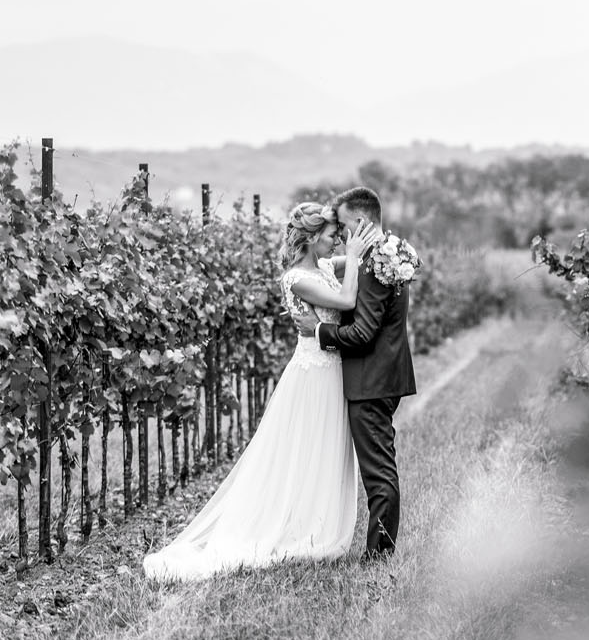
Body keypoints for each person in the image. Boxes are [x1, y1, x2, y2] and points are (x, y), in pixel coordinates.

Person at [142, 201, 380, 581]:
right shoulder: (296, 279)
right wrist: (351, 257)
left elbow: (357, 262)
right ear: (311, 237)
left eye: (339, 235)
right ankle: (298, 529)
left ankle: (315, 523)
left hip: (333, 373)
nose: (337, 240)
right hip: (313, 376)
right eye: (331, 234)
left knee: (324, 450)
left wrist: (377, 248)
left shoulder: (322, 267)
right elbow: (347, 300)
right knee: (304, 451)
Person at [308, 184, 417, 560]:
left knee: (378, 470)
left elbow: (362, 332)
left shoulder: (373, 266)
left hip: (371, 379)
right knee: (380, 464)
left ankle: (380, 554)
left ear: (360, 221)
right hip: (385, 374)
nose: (340, 236)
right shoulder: (391, 252)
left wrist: (320, 332)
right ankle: (381, 548)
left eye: (342, 227)